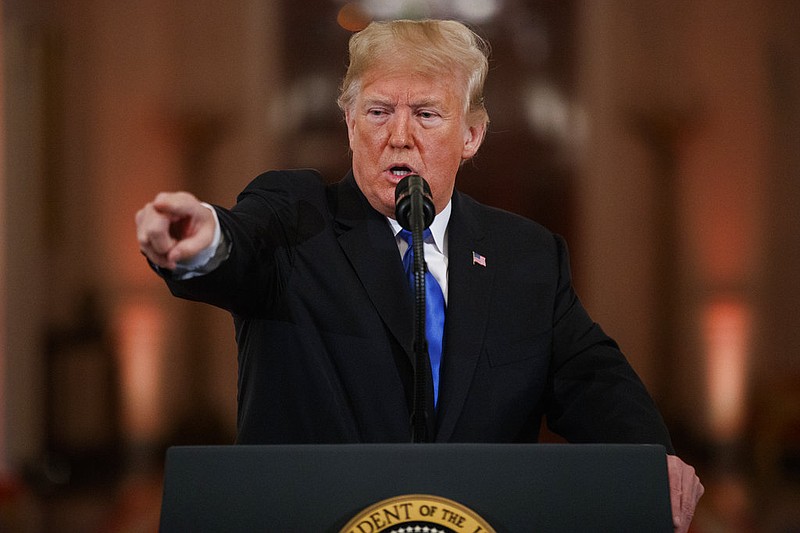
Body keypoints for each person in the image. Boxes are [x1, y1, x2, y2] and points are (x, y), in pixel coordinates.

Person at [136, 19, 703, 531]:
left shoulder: (525, 255)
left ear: (471, 135)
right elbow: (240, 244)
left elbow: (592, 379)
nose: (399, 136)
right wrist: (202, 239)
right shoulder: (295, 218)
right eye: (379, 111)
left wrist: (652, 460)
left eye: (427, 114)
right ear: (349, 122)